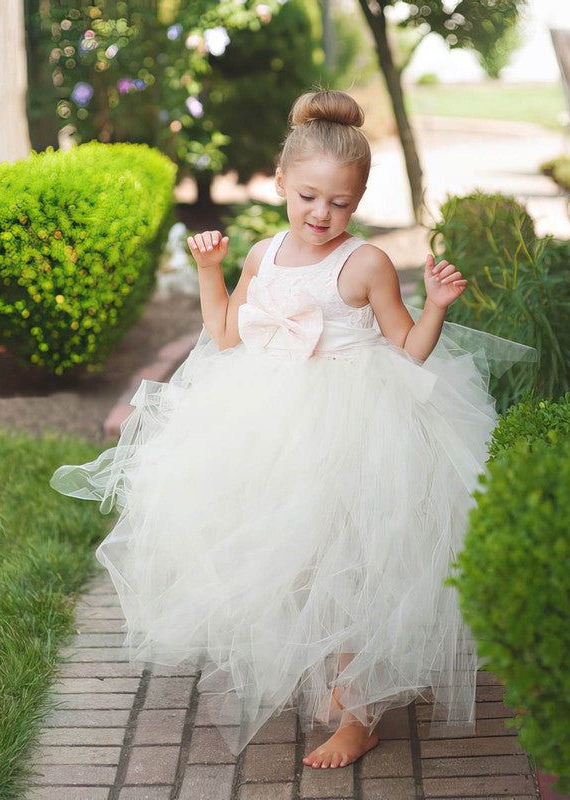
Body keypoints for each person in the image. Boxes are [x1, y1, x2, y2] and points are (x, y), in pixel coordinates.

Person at [51, 90, 536, 770]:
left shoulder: (362, 263)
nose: (322, 215)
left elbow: (408, 349)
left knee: (354, 564)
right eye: (308, 196)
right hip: (271, 427)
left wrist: (438, 306)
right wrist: (210, 270)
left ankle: (362, 713)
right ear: (280, 183)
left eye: (341, 203)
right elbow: (224, 335)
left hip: (358, 427)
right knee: (300, 565)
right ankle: (342, 678)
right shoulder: (262, 254)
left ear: (359, 199)